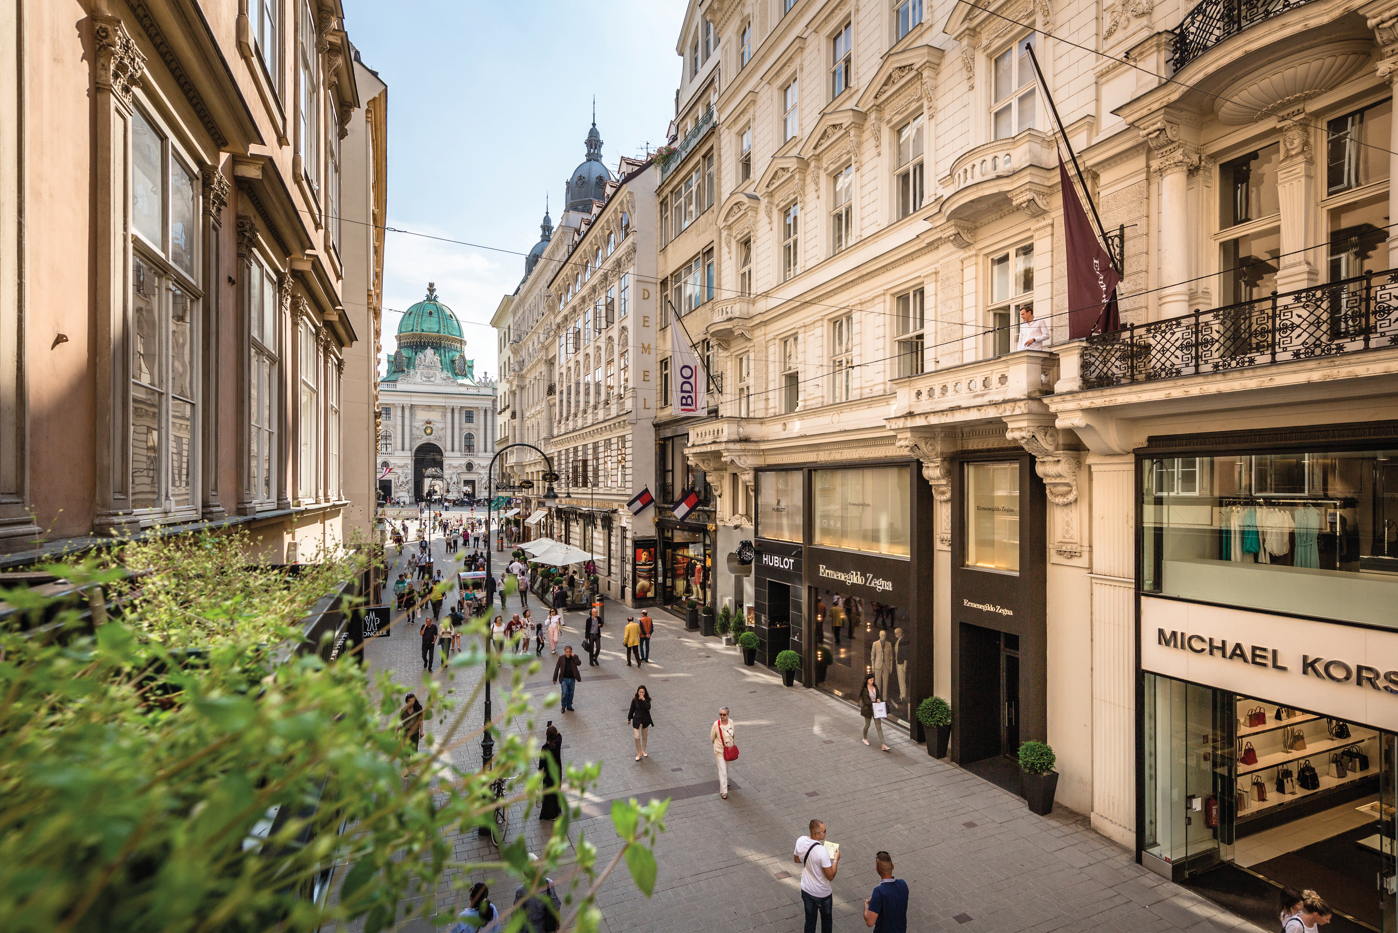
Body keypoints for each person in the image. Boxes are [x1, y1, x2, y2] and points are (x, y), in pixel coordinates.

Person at [793, 819, 839, 933]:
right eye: (824, 831)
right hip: (822, 893)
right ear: (817, 834)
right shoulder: (822, 851)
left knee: (810, 921)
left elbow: (796, 859)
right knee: (826, 920)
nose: (826, 833)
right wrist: (836, 859)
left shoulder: (800, 840)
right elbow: (831, 876)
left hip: (806, 890)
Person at [863, 851, 908, 933]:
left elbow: (870, 922)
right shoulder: (903, 884)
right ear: (892, 866)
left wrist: (867, 904)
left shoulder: (879, 892)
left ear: (877, 869)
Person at [859, 673, 890, 752]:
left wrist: (878, 699)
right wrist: (874, 703)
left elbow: (878, 695)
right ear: (867, 680)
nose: (872, 681)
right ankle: (864, 738)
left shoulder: (875, 687)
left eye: (873, 680)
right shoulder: (865, 689)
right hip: (868, 709)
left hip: (876, 709)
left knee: (878, 726)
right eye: (871, 680)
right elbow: (866, 701)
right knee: (867, 725)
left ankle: (883, 744)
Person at [539, 725, 564, 821]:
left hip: (548, 774)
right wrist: (554, 728)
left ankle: (551, 814)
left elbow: (542, 762)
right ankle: (557, 809)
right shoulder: (558, 744)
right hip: (557, 771)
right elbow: (560, 735)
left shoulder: (545, 748)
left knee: (549, 794)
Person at [710, 707, 735, 799]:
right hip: (720, 750)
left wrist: (732, 745)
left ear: (727, 715)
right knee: (723, 770)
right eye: (720, 714)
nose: (722, 716)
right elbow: (712, 736)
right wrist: (716, 745)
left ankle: (725, 780)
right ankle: (724, 791)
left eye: (724, 714)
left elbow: (733, 734)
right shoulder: (716, 724)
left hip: (729, 749)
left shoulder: (731, 722)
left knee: (727, 767)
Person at [552, 646, 582, 712]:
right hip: (564, 679)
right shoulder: (561, 658)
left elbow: (579, 663)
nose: (568, 653)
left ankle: (569, 706)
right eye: (567, 652)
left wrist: (573, 657)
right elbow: (557, 669)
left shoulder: (575, 657)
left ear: (571, 652)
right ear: (565, 652)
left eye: (569, 652)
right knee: (565, 693)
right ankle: (563, 706)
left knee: (571, 693)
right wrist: (554, 679)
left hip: (572, 679)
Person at [628, 685, 653, 761]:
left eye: (643, 692)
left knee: (644, 736)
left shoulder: (647, 699)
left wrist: (644, 700)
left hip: (645, 720)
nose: (641, 693)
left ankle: (643, 750)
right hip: (637, 720)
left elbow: (648, 707)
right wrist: (629, 718)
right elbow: (631, 709)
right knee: (636, 737)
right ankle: (639, 752)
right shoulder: (635, 700)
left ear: (645, 693)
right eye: (640, 692)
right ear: (637, 692)